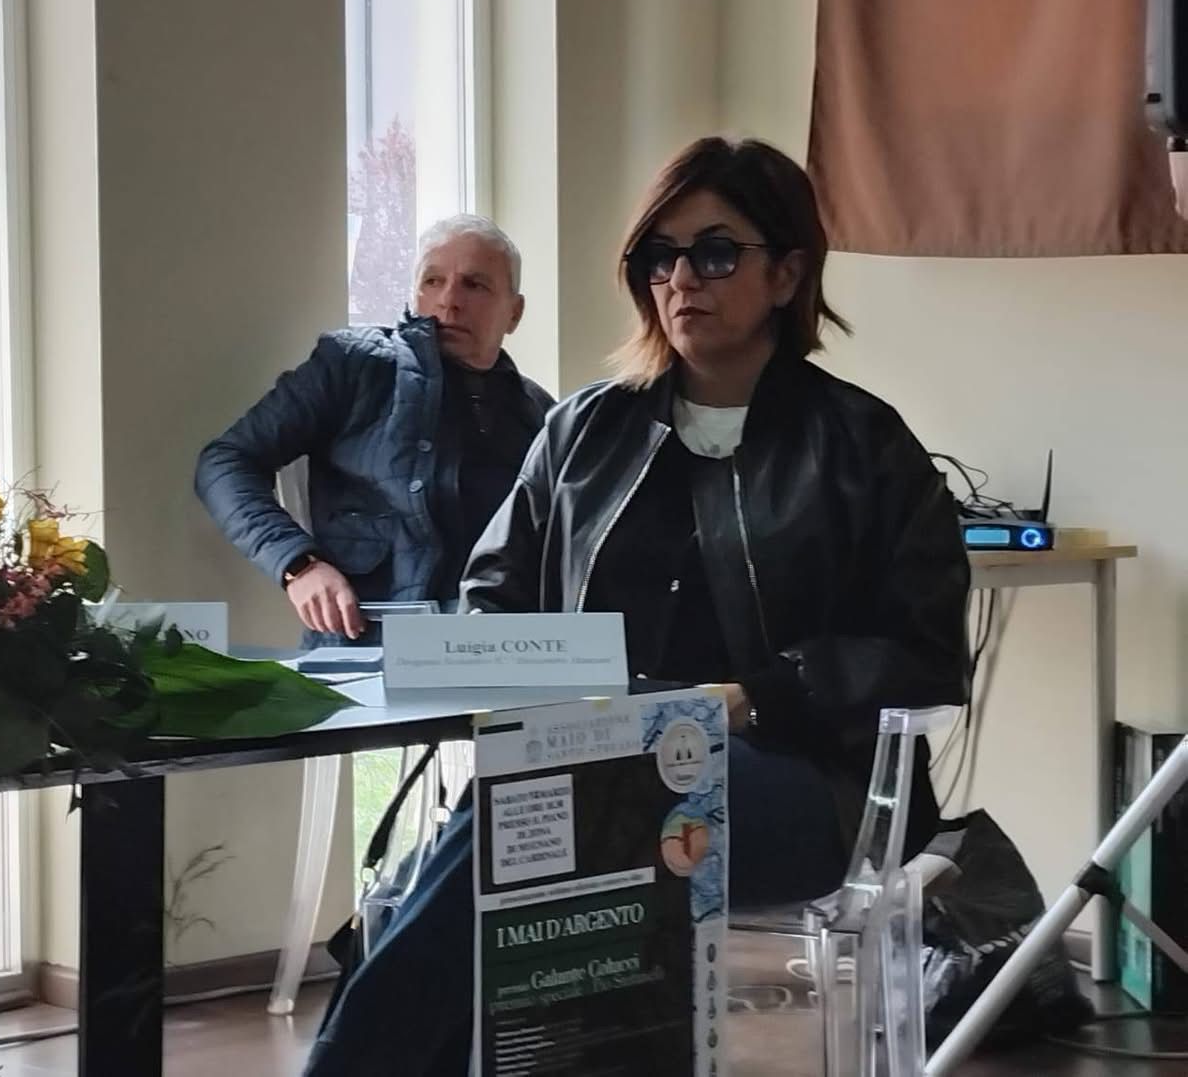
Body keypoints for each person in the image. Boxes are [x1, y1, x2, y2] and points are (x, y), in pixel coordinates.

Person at [304, 137, 971, 1074]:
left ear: (786, 274)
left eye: (716, 252)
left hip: (810, 782)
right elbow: (493, 596)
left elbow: (925, 653)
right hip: (595, 757)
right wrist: (523, 680)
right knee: (527, 823)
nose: (681, 278)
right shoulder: (584, 430)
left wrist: (754, 696)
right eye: (661, 256)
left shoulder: (862, 443)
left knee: (539, 823)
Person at [195, 214, 554, 642]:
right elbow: (225, 462)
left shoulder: (541, 415)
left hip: (492, 652)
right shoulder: (354, 365)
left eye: (474, 285)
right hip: (364, 648)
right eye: (432, 281)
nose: (448, 301)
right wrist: (298, 565)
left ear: (514, 312)